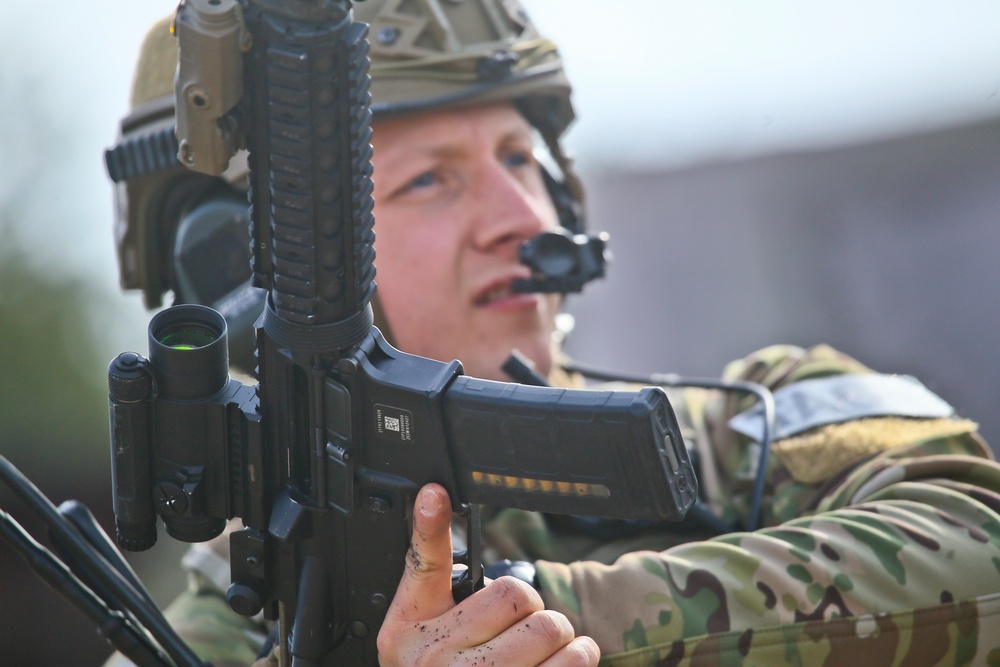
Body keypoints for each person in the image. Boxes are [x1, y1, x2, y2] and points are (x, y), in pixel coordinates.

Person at [105, 1, 1000, 665]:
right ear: (240, 270)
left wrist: (528, 616)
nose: (519, 215)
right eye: (430, 182)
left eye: (521, 161)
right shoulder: (222, 626)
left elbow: (976, 540)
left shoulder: (756, 431)